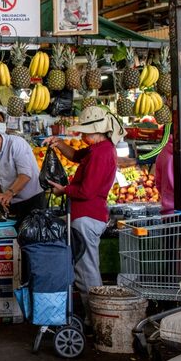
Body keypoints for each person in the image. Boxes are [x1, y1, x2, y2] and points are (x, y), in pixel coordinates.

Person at [44, 105, 123, 312]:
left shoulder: (101, 153)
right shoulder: (97, 149)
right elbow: (76, 156)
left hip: (88, 216)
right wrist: (59, 143)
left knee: (86, 270)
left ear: (97, 131)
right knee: (85, 266)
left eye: (85, 132)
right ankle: (95, 315)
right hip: (86, 215)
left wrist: (64, 190)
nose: (81, 135)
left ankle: (95, 317)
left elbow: (86, 191)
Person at [0, 124, 44, 227]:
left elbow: (25, 175)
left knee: (34, 237)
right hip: (11, 204)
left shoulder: (16, 144)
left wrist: (9, 193)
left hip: (33, 201)